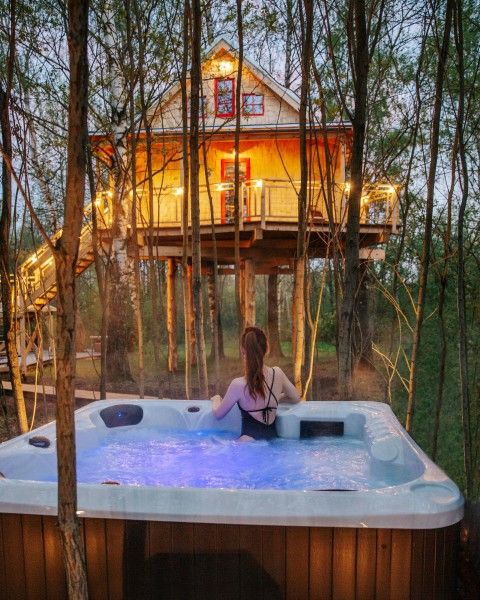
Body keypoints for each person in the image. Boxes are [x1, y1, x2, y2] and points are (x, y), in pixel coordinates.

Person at [211, 326, 301, 441]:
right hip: (273, 443)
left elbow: (218, 414)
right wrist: (276, 398)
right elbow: (296, 397)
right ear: (266, 348)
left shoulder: (238, 385)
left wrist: (216, 399)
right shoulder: (277, 373)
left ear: (242, 350)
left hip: (247, 444)